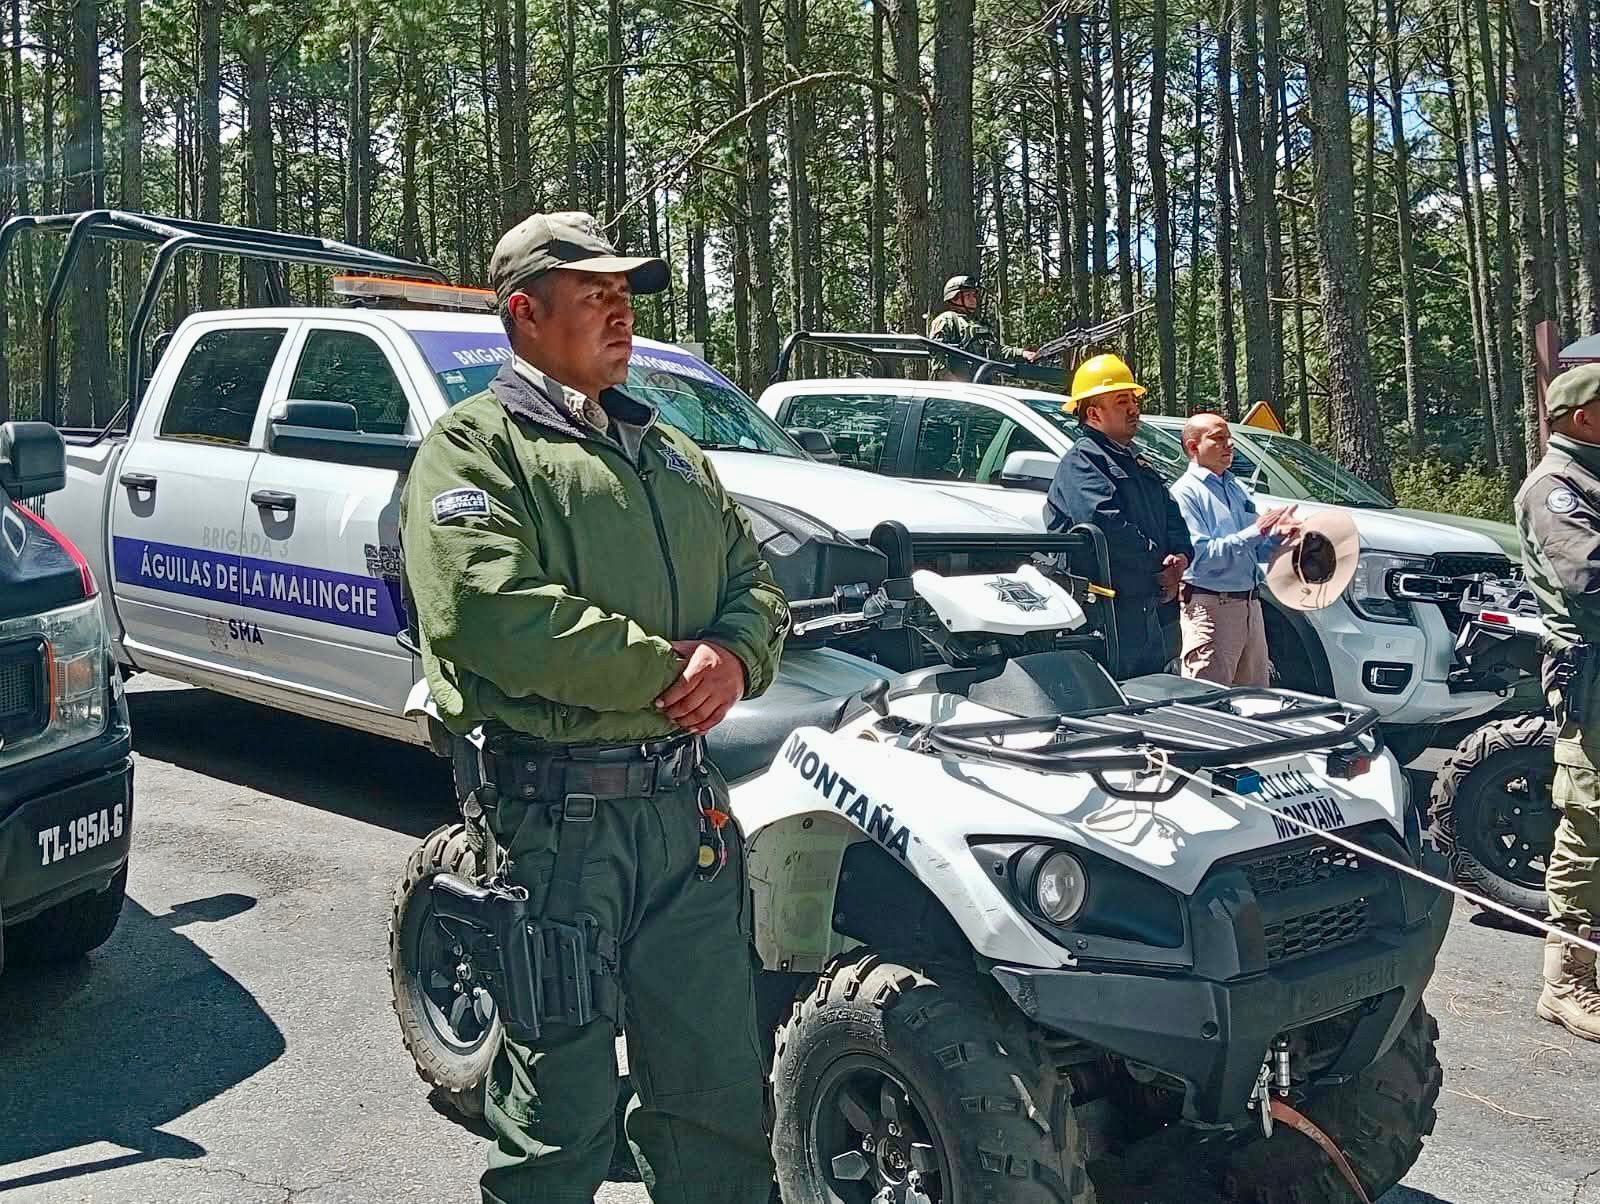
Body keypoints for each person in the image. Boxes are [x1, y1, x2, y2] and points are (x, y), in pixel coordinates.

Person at [400, 210, 789, 1201]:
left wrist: (736, 660)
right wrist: (668, 669)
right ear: (525, 314)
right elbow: (491, 615)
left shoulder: (667, 452)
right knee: (560, 1119)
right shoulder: (476, 450)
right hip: (558, 832)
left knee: (714, 1104)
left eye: (625, 297)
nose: (620, 315)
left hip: (686, 821)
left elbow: (756, 581)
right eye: (595, 297)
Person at [1514, 362, 1600, 1043]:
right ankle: (1565, 979)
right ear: (1585, 417)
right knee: (1589, 820)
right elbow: (1587, 580)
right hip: (1593, 676)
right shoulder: (1558, 488)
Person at [1045, 353, 1192, 678]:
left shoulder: (1137, 463)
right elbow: (1105, 524)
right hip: (1106, 619)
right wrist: (1159, 565)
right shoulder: (1082, 463)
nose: (1134, 409)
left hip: (1148, 613)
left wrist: (1180, 558)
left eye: (1134, 400)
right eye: (1122, 400)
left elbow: (1172, 515)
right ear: (1094, 413)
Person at [1170, 412, 1298, 687]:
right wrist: (1256, 531)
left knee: (1255, 702)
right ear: (1193, 447)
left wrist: (1278, 538)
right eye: (1218, 439)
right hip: (1212, 607)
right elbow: (1199, 559)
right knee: (1207, 704)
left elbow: (1255, 552)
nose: (1229, 445)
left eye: (1229, 439)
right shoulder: (1185, 493)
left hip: (1250, 606)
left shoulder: (1236, 487)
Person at [927, 274, 1038, 380]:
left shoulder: (977, 322)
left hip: (982, 386)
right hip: (956, 392)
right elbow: (938, 361)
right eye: (967, 295)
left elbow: (997, 351)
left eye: (974, 295)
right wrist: (956, 386)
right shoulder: (946, 320)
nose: (973, 300)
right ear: (954, 298)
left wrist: (1022, 353)